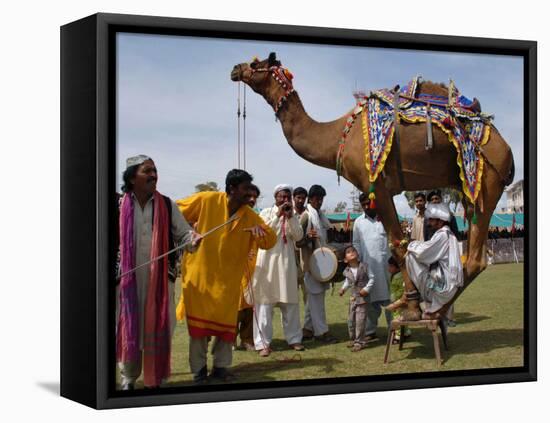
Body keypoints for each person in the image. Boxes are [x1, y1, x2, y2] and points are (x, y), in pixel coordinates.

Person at [176, 169, 277, 384]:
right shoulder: (207, 200)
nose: (250, 196)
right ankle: (199, 371)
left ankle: (221, 368)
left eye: (251, 191)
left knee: (226, 328)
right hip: (200, 277)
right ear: (231, 188)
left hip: (228, 282)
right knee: (199, 330)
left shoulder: (248, 215)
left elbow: (270, 241)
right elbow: (175, 212)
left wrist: (262, 235)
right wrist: (189, 231)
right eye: (245, 190)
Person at [116, 155, 201, 390]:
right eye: (147, 171)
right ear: (132, 177)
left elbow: (183, 235)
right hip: (126, 282)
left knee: (159, 329)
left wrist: (193, 239)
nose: (154, 175)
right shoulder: (117, 204)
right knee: (127, 325)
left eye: (155, 171)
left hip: (160, 283)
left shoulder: (166, 205)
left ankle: (157, 380)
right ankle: (128, 379)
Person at [252, 184, 305, 357]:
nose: (284, 200)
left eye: (287, 197)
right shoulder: (266, 213)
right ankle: (263, 344)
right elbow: (264, 232)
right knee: (265, 307)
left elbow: (298, 237)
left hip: (286, 266)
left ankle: (294, 339)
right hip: (267, 267)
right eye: (281, 197)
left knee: (290, 304)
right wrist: (278, 215)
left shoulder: (293, 216)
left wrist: (290, 218)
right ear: (275, 197)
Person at [406, 203, 464, 320]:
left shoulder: (442, 235)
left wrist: (410, 245)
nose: (429, 223)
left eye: (432, 220)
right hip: (447, 284)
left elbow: (424, 252)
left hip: (443, 287)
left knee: (410, 257)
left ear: (441, 221)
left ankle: (419, 298)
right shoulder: (447, 234)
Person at [297, 185, 337, 343]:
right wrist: (307, 237)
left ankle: (307, 330)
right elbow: (297, 241)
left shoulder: (321, 217)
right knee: (317, 299)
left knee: (314, 298)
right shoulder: (306, 216)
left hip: (321, 262)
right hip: (311, 264)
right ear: (310, 199)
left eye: (321, 198)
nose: (319, 201)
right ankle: (321, 332)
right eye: (317, 198)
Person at [352, 193, 392, 343]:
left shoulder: (385, 218)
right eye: (364, 204)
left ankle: (394, 330)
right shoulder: (358, 222)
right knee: (370, 303)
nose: (367, 206)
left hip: (387, 268)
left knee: (390, 301)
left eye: (369, 203)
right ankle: (370, 331)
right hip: (367, 268)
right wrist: (358, 264)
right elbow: (356, 244)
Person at [235, 184, 261, 351]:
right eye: (248, 196)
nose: (251, 200)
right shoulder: (231, 216)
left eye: (254, 197)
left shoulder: (257, 219)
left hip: (253, 270)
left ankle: (247, 339)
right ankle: (229, 340)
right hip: (234, 271)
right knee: (234, 308)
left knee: (250, 307)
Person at [339, 245, 373, 352]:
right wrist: (343, 289)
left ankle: (360, 342)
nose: (352, 252)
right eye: (348, 252)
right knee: (351, 320)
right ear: (345, 259)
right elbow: (348, 281)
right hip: (353, 299)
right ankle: (353, 338)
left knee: (360, 320)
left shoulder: (365, 266)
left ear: (358, 254)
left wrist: (366, 289)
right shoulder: (347, 271)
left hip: (363, 299)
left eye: (353, 251)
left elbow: (372, 278)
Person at [388, 257, 411, 343]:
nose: (389, 268)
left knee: (397, 317)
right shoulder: (398, 275)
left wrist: (394, 297)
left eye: (391, 266)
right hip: (400, 300)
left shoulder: (399, 277)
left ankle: (398, 336)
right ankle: (406, 332)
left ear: (397, 267)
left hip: (399, 301)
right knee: (404, 316)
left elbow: (402, 290)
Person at [293, 187, 308, 305]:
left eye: (303, 198)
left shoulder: (309, 213)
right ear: (293, 198)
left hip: (305, 259)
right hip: (290, 258)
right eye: (298, 198)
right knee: (291, 296)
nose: (301, 200)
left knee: (308, 293)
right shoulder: (288, 213)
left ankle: (309, 323)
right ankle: (293, 324)